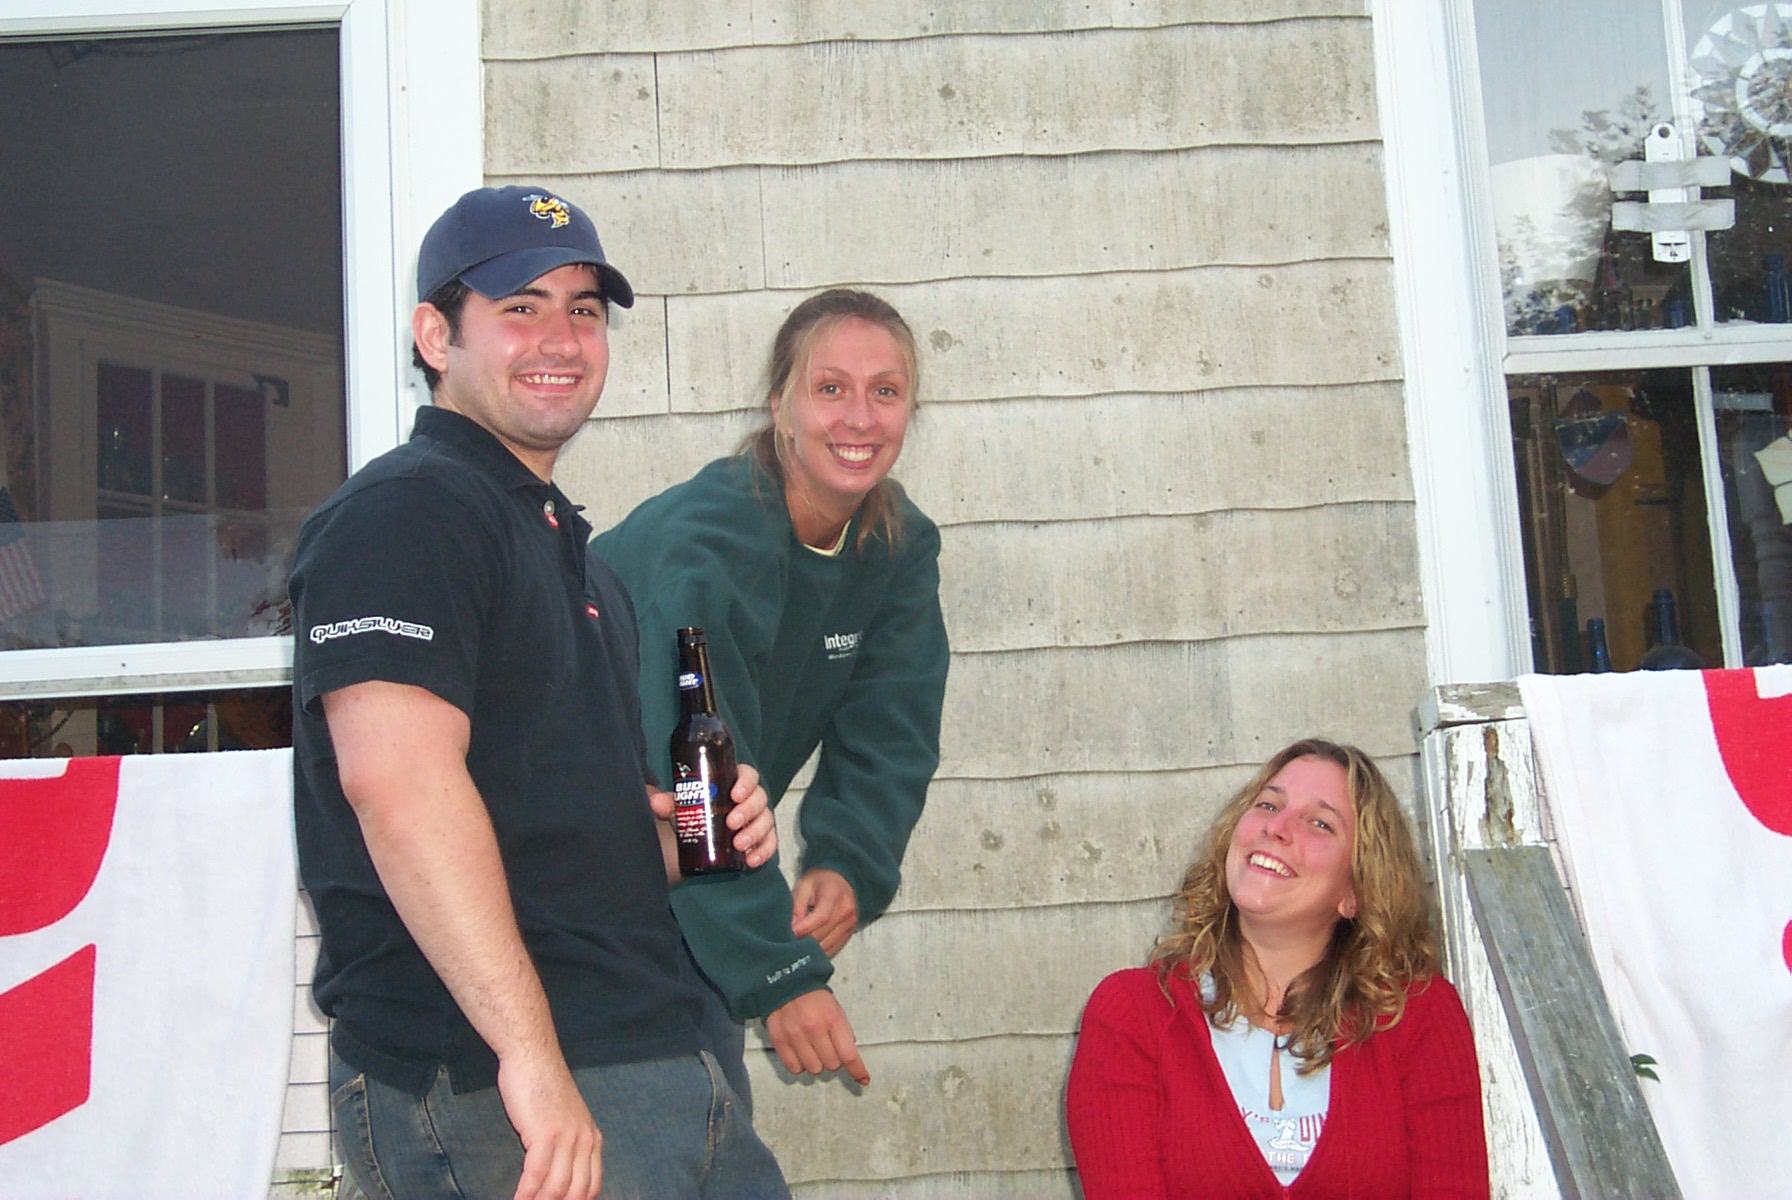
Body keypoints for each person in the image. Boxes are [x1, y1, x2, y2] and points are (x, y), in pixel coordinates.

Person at [290, 185, 788, 1200]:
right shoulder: (406, 513)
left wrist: (695, 836)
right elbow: (400, 791)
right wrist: (530, 1057)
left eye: (584, 311)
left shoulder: (573, 553)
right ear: (437, 336)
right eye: (520, 307)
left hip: (652, 1051)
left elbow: (549, 842)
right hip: (494, 1085)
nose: (560, 338)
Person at [592, 288, 949, 1106]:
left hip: (689, 885)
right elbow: (694, 766)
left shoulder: (895, 547)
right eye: (830, 388)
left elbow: (891, 730)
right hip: (573, 889)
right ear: (779, 404)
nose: (859, 418)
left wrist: (847, 863)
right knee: (681, 1140)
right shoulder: (704, 548)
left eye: (885, 391)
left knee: (712, 1140)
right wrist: (778, 972)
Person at [1065, 739, 1489, 1199]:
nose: (1277, 828)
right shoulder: (1132, 1015)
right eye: (1268, 805)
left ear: (1356, 891)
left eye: (1320, 823)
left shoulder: (1418, 1016)